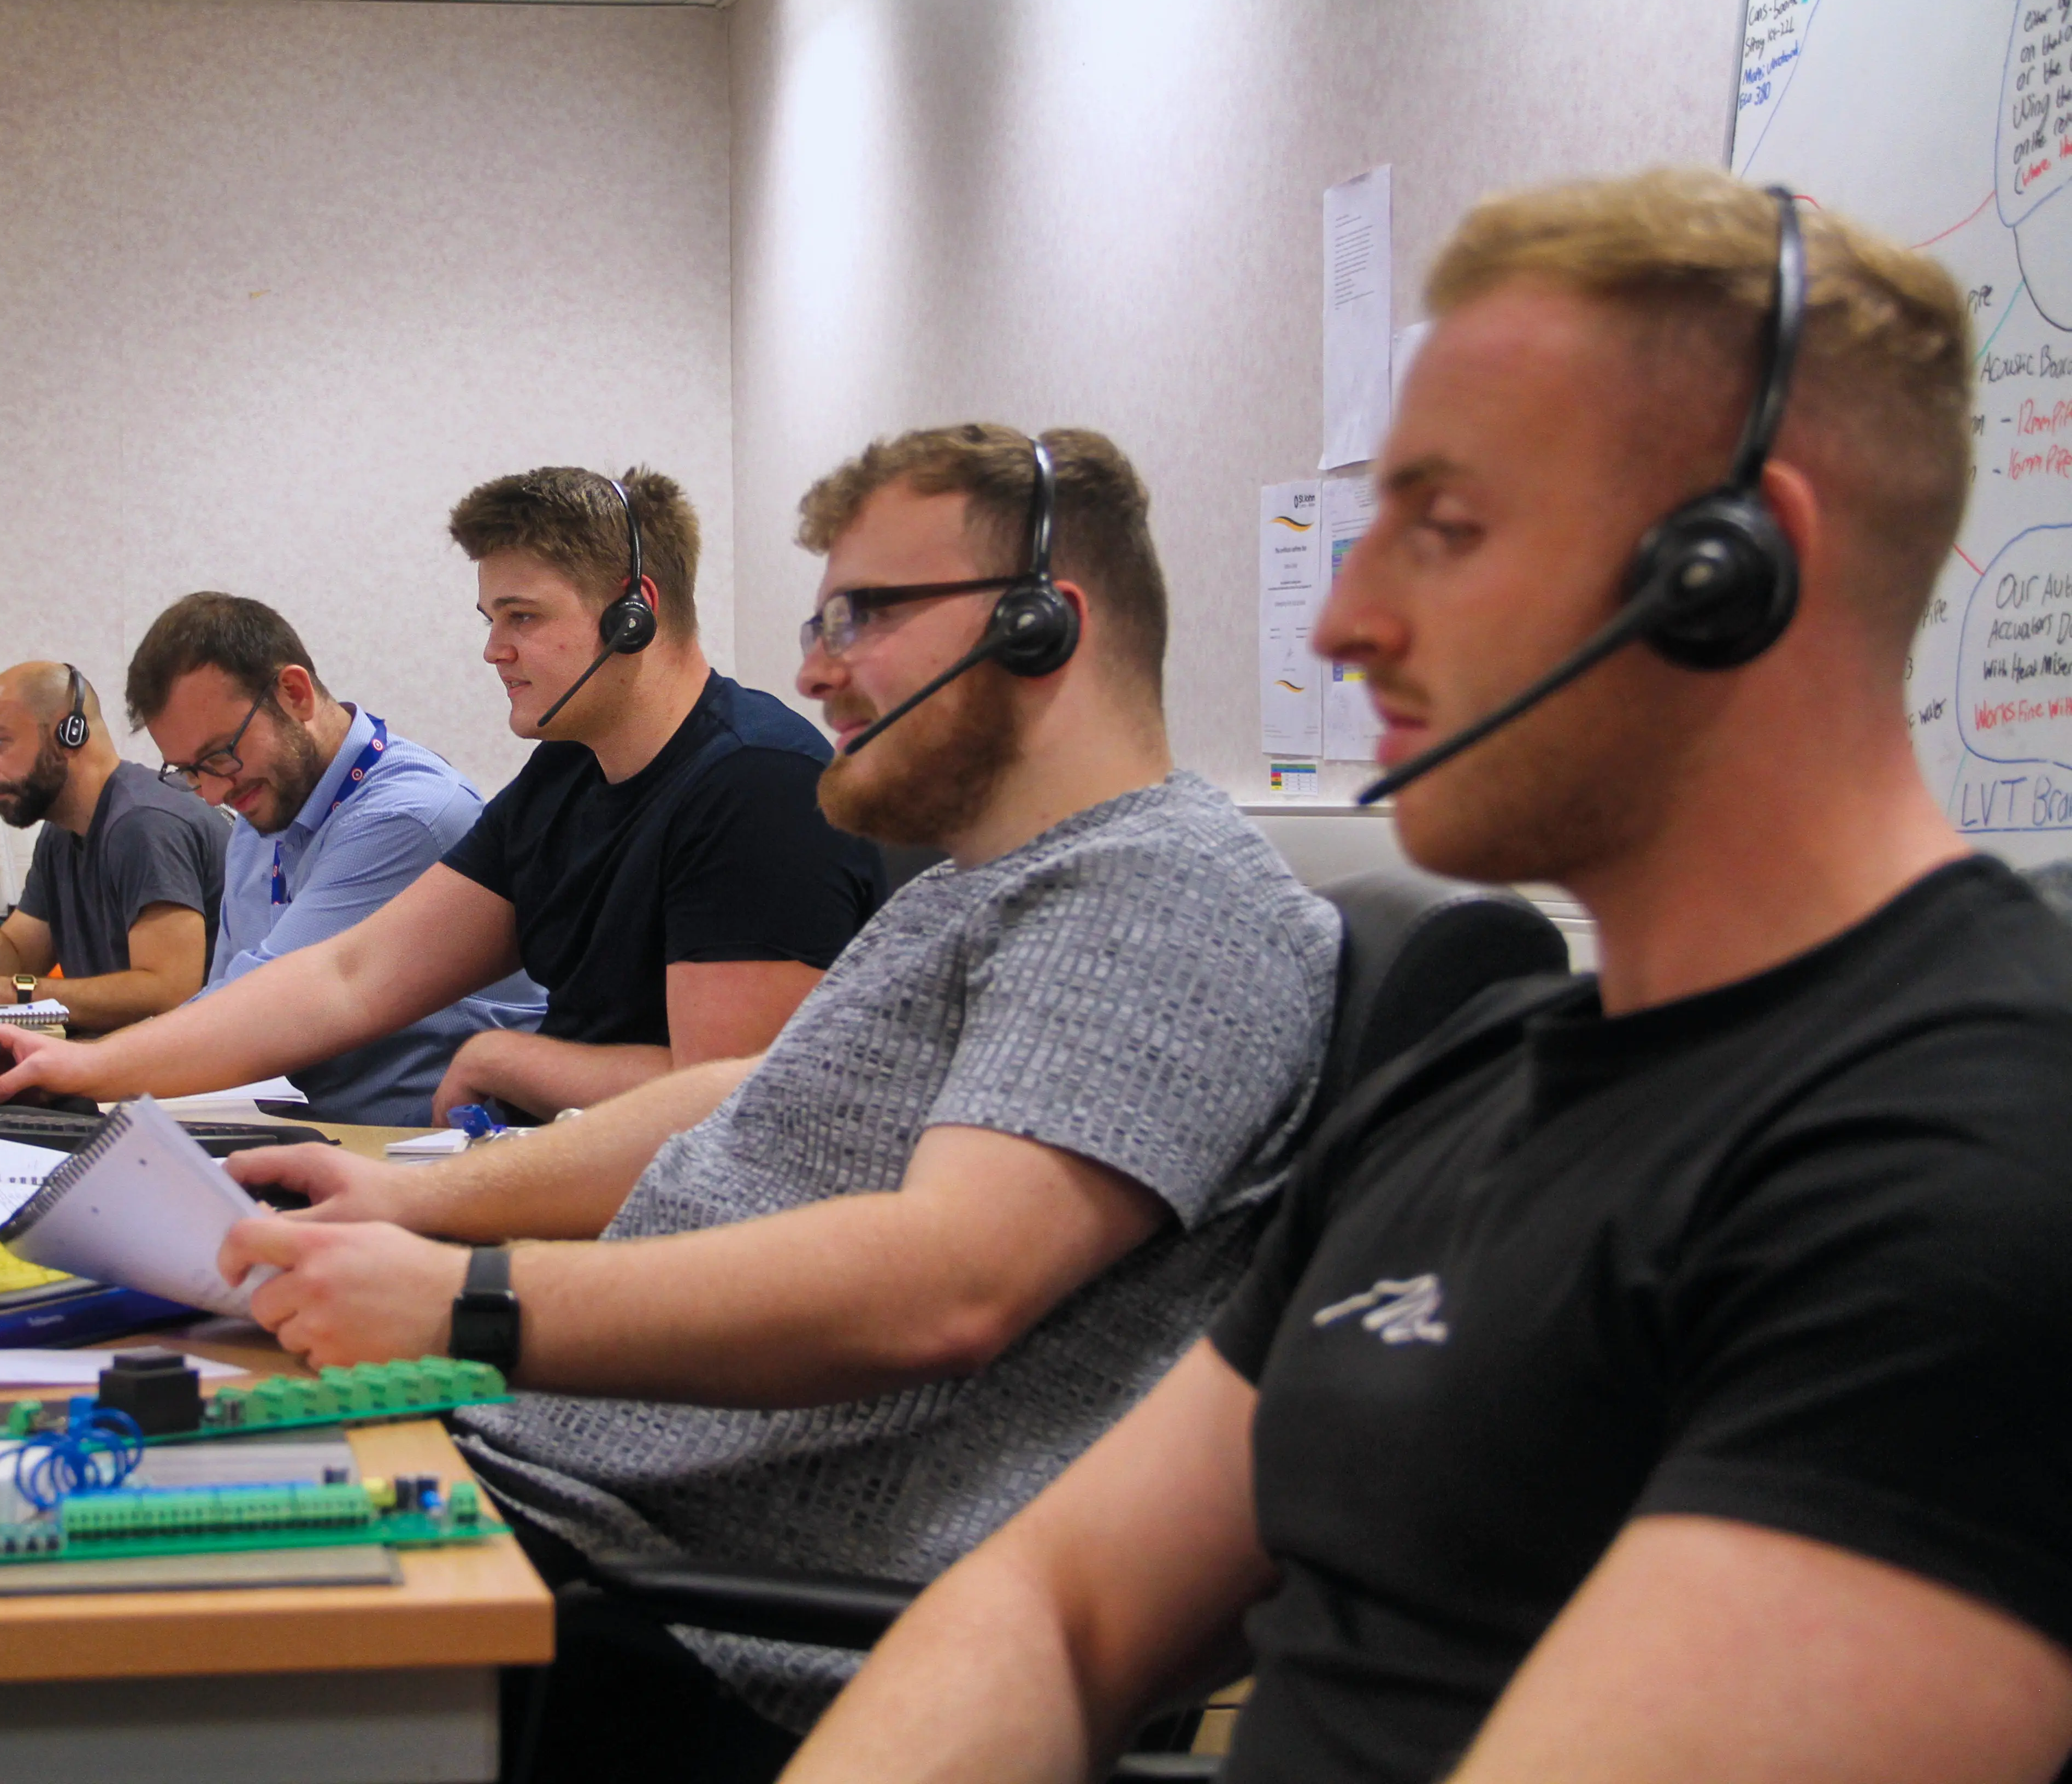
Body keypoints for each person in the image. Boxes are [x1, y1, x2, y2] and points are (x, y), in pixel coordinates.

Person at [780, 173, 2072, 1784]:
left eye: (1446, 530)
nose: (1344, 622)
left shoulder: (1968, 1165)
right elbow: (1059, 1603)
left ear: (1734, 568)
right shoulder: (1471, 1086)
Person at [211, 426, 1342, 1781]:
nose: (812, 666)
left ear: (1046, 624)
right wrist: (409, 1195)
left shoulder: (1156, 895)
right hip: (563, 1494)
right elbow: (747, 1090)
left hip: (677, 1604)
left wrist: (468, 1299)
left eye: (866, 614)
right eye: (818, 619)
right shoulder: (973, 885)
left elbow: (949, 1279)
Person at [0, 467, 887, 1120]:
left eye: (522, 617)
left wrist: (502, 1059)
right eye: (491, 619)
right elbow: (347, 977)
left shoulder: (752, 787)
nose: (494, 650)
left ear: (632, 611)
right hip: (550, 1175)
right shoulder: (570, 771)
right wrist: (82, 1065)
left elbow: (726, 1100)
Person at [126, 591, 547, 1125]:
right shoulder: (262, 814)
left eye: (218, 757)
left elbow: (263, 1013)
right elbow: (225, 1001)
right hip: (319, 1139)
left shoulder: (408, 817)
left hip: (422, 1156)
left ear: (295, 694)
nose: (210, 794)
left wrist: (80, 1068)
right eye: (189, 771)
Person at [0, 660, 228, 1033]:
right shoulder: (61, 835)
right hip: (133, 1071)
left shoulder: (145, 824)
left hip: (201, 1079)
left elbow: (169, 992)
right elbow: (11, 969)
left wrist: (16, 995)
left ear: (70, 734)